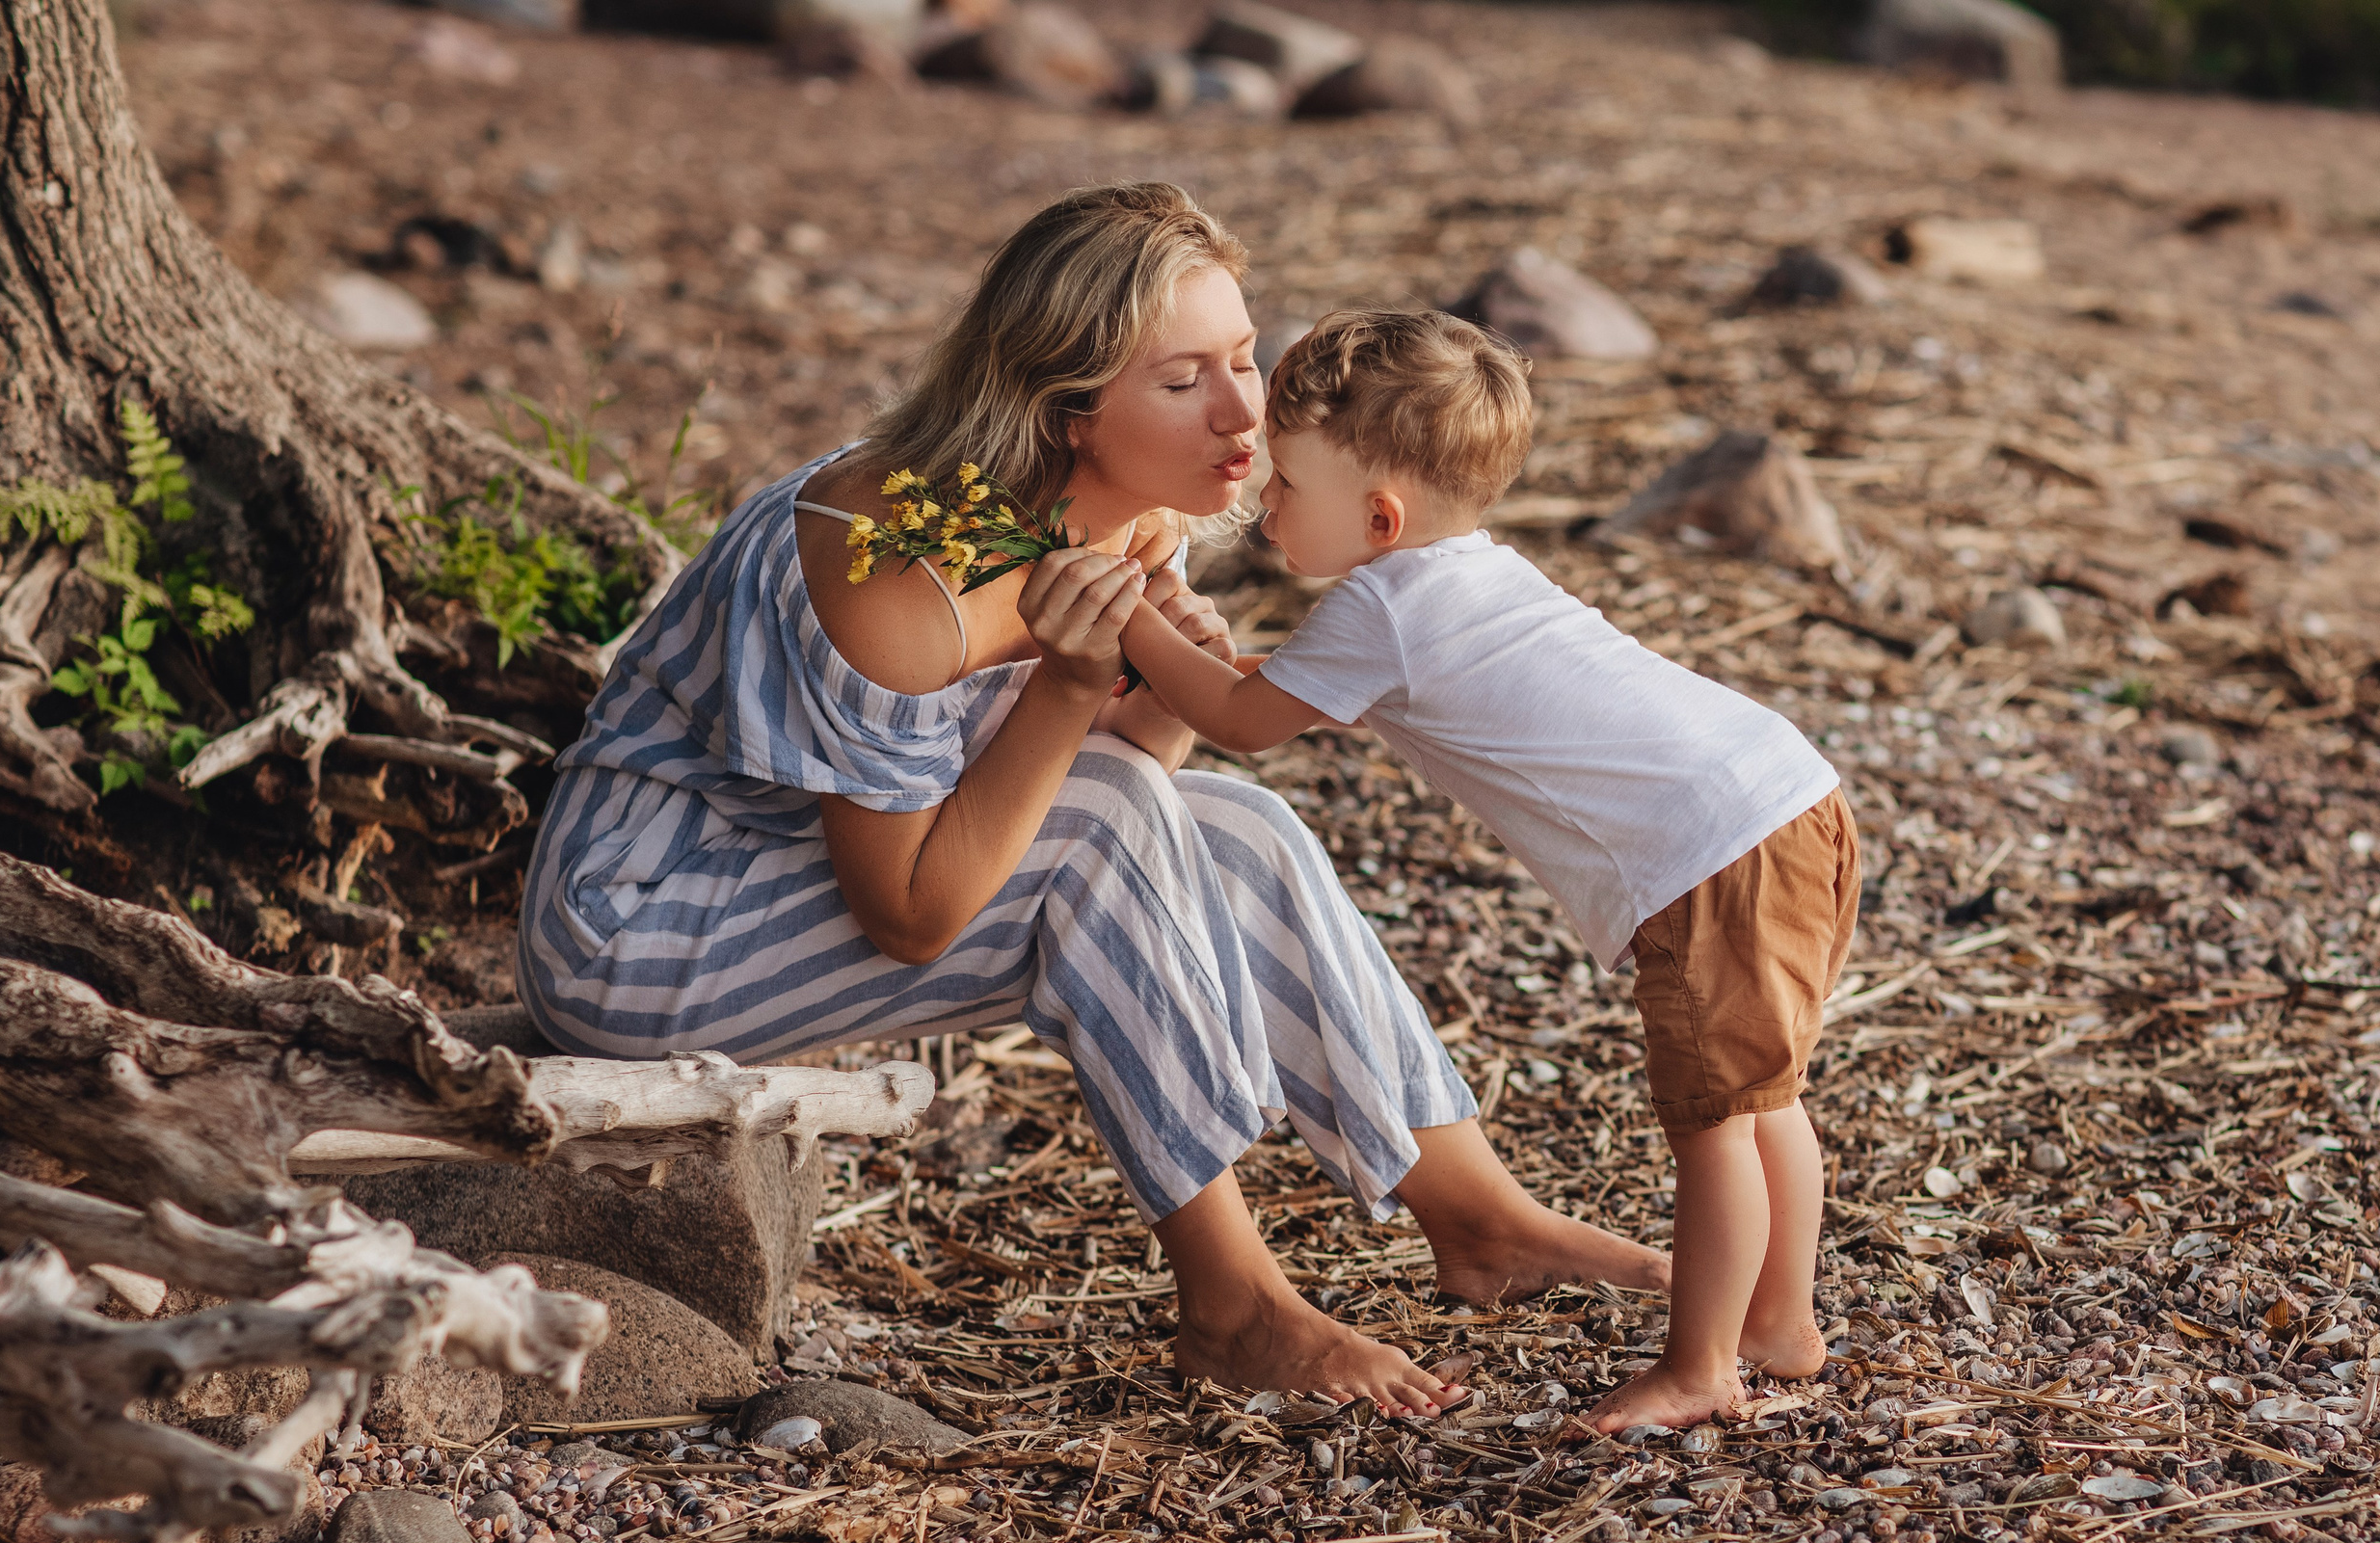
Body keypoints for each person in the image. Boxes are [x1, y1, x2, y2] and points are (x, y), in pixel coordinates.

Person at [518, 184, 1667, 1419]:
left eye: (1242, 356)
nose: (1242, 414)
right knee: (1113, 809)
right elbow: (917, 912)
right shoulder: (898, 570)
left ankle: (1478, 1217)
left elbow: (1133, 800)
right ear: (1064, 409)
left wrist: (1161, 689)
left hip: (803, 880)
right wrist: (1073, 686)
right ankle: (1231, 1306)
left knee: (1245, 829)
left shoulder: (1137, 512)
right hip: (638, 928)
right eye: (1182, 382)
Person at [1117, 306, 1858, 1429]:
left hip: (1707, 855)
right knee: (1766, 1100)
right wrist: (1213, 658)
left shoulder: (1375, 606)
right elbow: (1292, 687)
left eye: (1284, 488)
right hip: (1784, 798)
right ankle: (1779, 1322)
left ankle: (1706, 1366)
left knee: (1712, 1122)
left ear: (1378, 515)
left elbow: (1243, 721)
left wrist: (1132, 618)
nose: (1264, 507)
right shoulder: (1463, 574)